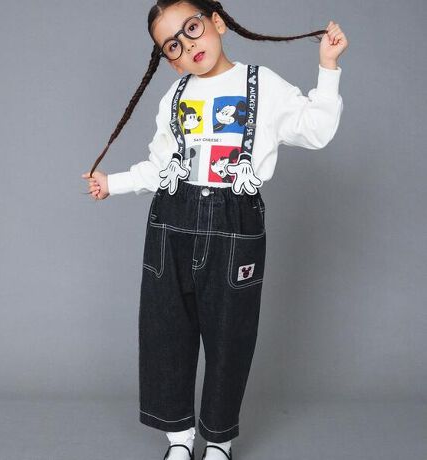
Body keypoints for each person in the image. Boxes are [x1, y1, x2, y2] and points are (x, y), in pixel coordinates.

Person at [81, 1, 348, 459]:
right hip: (172, 220)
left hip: (234, 221)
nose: (188, 46)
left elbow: (316, 130)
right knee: (166, 329)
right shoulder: (175, 96)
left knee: (230, 334)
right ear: (169, 60)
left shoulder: (261, 84)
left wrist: (328, 67)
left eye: (192, 28)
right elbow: (161, 166)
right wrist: (114, 183)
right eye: (173, 45)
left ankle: (219, 440)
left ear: (217, 22)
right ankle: (179, 439)